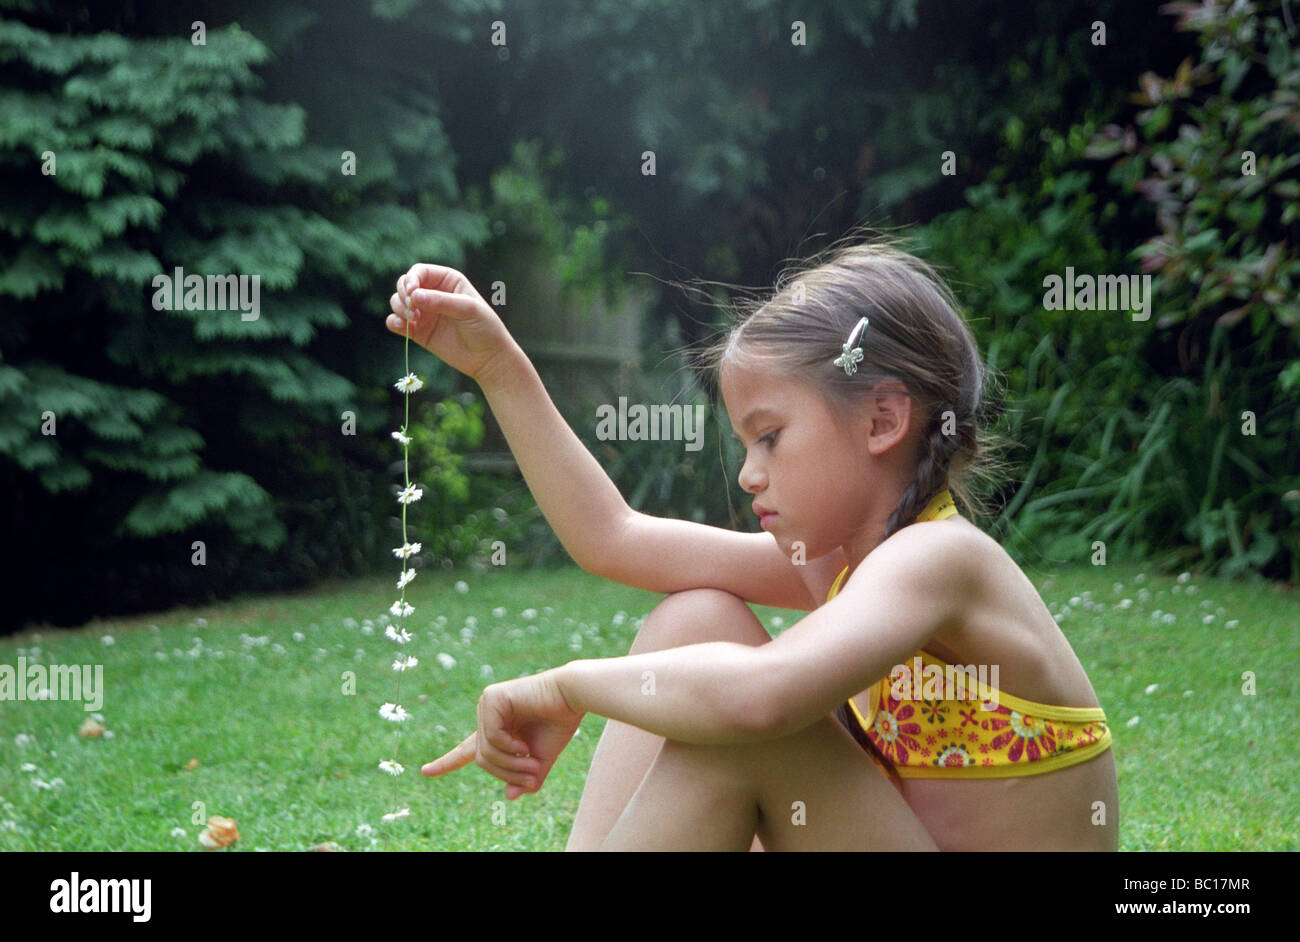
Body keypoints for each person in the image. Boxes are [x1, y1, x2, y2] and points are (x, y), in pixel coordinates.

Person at [395, 237, 1119, 851]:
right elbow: (614, 539)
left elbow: (763, 701)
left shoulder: (938, 559)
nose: (748, 473)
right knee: (694, 618)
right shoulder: (840, 563)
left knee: (749, 728)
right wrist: (497, 366)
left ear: (881, 421)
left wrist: (565, 686)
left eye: (769, 437)